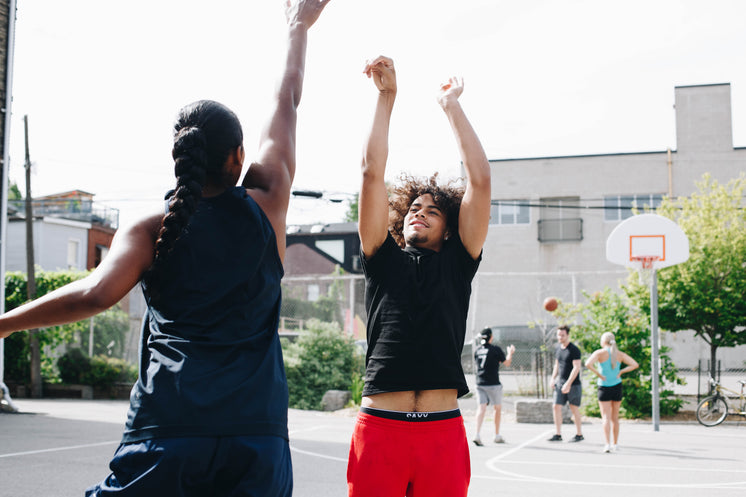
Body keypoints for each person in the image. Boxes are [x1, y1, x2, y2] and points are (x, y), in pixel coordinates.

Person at [0, 1, 331, 495]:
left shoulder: (151, 227)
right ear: (238, 157)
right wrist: (297, 27)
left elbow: (93, 294)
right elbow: (286, 101)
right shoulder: (268, 203)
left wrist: (2, 324)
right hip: (254, 434)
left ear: (180, 157)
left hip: (168, 426)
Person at [346, 56, 491, 497]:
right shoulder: (381, 256)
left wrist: (450, 105)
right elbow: (372, 171)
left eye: (432, 210)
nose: (419, 212)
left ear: (449, 227)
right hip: (380, 430)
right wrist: (386, 97)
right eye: (413, 208)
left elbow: (480, 182)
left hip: (441, 434)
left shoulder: (458, 260)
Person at [584, 331, 639, 452]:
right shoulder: (619, 354)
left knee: (605, 417)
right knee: (615, 418)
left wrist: (598, 374)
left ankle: (607, 444)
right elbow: (635, 364)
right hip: (617, 386)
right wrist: (621, 372)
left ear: (603, 341)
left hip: (604, 386)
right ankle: (616, 443)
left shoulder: (600, 353)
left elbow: (588, 363)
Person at [473, 327, 515, 446]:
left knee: (481, 408)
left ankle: (477, 434)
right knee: (497, 408)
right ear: (491, 337)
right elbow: (507, 363)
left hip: (480, 382)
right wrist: (510, 353)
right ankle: (496, 435)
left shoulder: (477, 350)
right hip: (493, 383)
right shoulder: (495, 349)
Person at [548, 325, 584, 442]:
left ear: (567, 335)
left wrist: (568, 383)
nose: (560, 337)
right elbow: (557, 365)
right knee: (556, 406)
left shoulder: (574, 349)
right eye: (559, 335)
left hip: (573, 385)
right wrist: (553, 378)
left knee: (574, 408)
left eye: (563, 335)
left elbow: (576, 367)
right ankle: (558, 434)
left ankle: (579, 434)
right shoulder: (558, 348)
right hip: (560, 382)